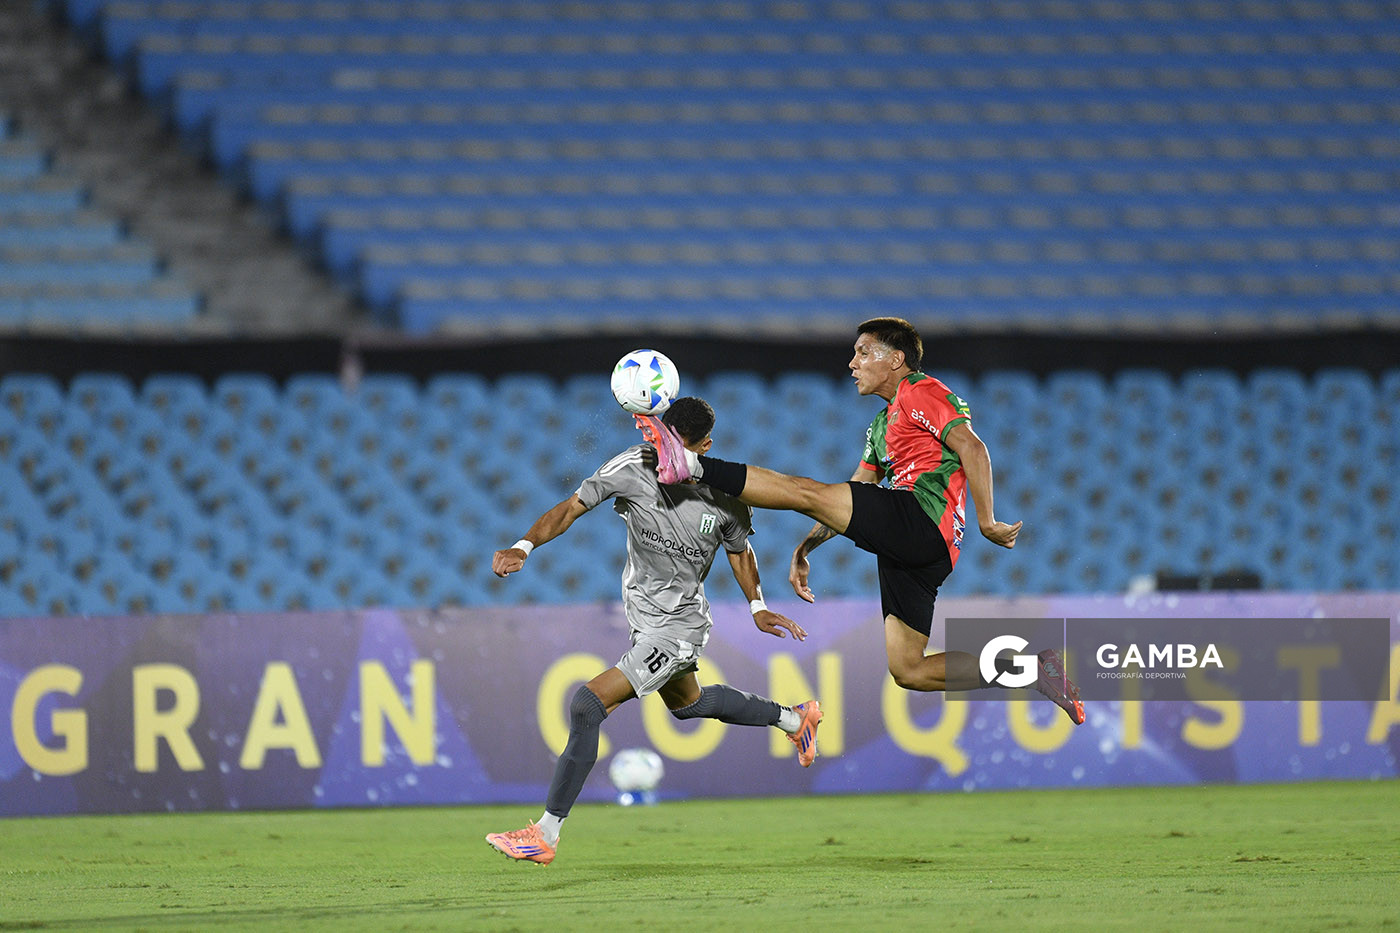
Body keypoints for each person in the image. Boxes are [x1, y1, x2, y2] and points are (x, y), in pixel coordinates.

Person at [635, 318, 1082, 725]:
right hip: (924, 551)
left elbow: (973, 447)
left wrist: (988, 519)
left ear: (896, 360)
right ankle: (1031, 669)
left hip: (920, 518)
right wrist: (807, 548)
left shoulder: (920, 391)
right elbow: (851, 490)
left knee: (803, 491)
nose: (852, 363)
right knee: (910, 670)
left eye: (864, 352)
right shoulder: (880, 425)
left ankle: (690, 466)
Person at [485, 396, 823, 866]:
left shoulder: (726, 494)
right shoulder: (631, 466)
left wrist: (757, 606)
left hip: (679, 627)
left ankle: (544, 834)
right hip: (644, 620)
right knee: (691, 705)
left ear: (706, 447)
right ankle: (795, 718)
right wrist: (524, 546)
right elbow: (570, 508)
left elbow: (739, 551)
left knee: (587, 704)